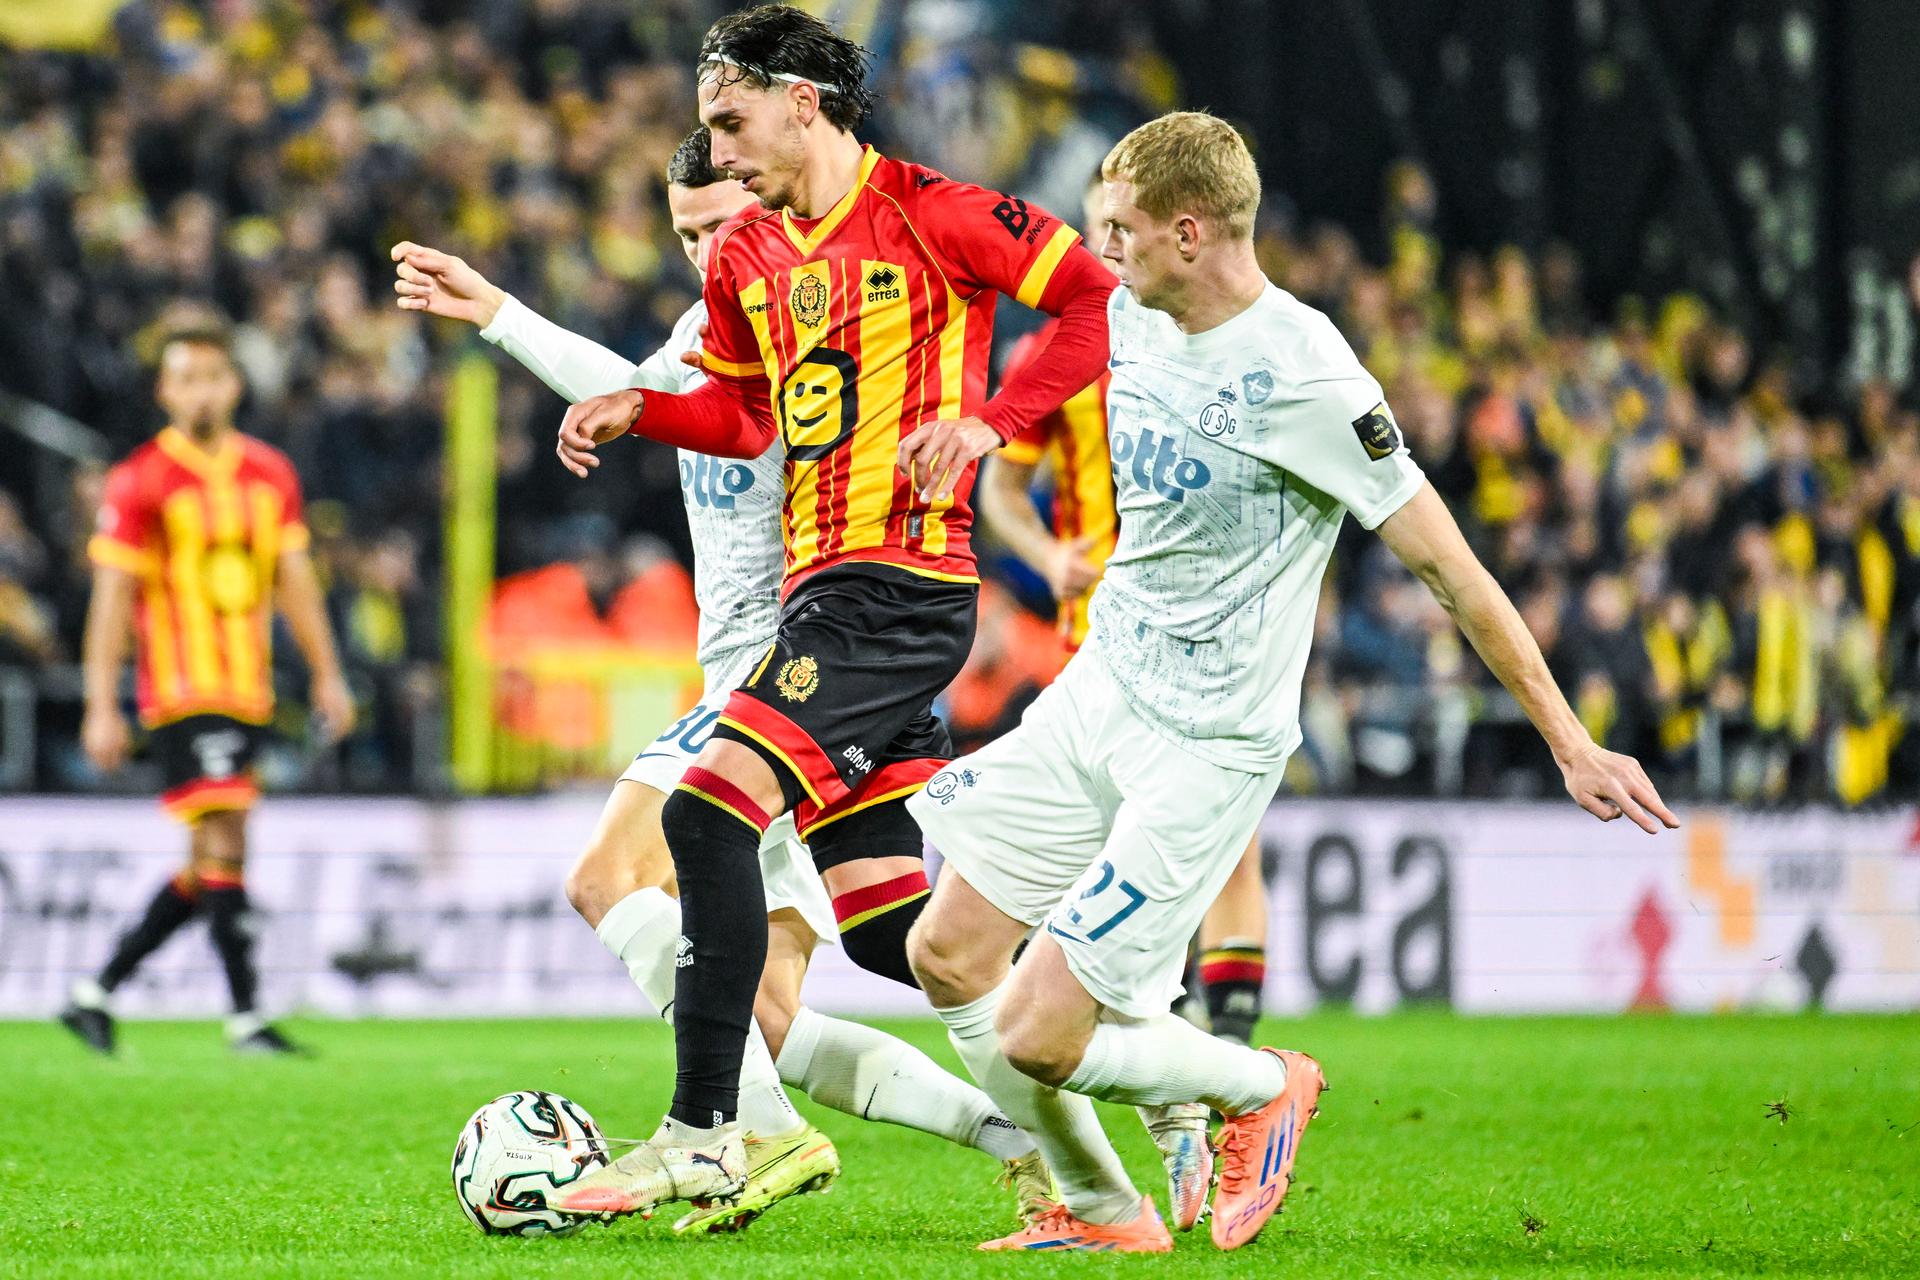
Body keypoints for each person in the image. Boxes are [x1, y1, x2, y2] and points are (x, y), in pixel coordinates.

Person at [905, 111, 1679, 1254]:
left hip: (1206, 742)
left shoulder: (1307, 376)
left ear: (1190, 230)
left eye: (1118, 228)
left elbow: (1450, 569)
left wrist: (1569, 739)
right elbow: (1019, 312)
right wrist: (985, 427)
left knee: (1033, 1029)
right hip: (1101, 685)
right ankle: (1109, 1210)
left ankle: (1259, 1079)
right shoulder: (1124, 307)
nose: (1098, 247)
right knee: (944, 953)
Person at [391, 126, 1049, 1234]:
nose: (706, 254)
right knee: (794, 1002)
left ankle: (747, 1134)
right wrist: (498, 312)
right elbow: (647, 386)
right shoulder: (721, 318)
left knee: (607, 878)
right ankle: (1033, 1123)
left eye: (724, 226)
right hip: (791, 661)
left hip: (788, 660)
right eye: (687, 235)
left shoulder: (808, 309)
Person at [547, 5, 1116, 1220]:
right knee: (892, 929)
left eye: (730, 117)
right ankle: (1152, 1065)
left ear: (802, 100)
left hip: (897, 592)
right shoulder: (758, 256)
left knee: (705, 812)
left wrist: (991, 424)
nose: (719, 144)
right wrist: (639, 408)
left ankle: (704, 1132)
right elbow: (748, 418)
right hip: (830, 599)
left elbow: (1091, 299)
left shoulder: (936, 210)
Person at [977, 167, 1273, 1056]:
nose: (1114, 242)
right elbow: (1001, 487)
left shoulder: (1224, 344)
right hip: (1095, 637)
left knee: (1229, 844)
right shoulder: (1056, 355)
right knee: (1110, 842)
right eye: (1102, 224)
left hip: (1204, 634)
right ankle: (1144, 1022)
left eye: (1126, 223)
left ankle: (1230, 1050)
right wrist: (1043, 555)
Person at [58, 322, 355, 1056]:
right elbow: (112, 600)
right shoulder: (139, 479)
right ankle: (247, 1017)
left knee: (213, 861)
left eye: (212, 376)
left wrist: (327, 672)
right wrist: (101, 701)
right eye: (185, 378)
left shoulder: (269, 473)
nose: (200, 391)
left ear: (235, 384)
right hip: (182, 687)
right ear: (165, 390)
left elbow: (296, 584)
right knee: (226, 837)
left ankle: (93, 994)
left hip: (248, 685)